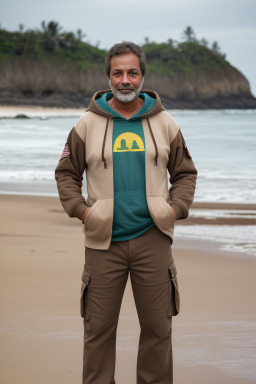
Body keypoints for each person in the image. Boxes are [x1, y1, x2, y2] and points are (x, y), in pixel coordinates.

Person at [55, 41, 197, 384]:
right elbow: (66, 174)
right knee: (98, 332)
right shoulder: (86, 124)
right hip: (103, 244)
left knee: (158, 332)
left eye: (132, 72)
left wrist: (174, 209)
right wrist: (83, 212)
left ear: (142, 76)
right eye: (117, 72)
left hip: (154, 240)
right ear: (108, 77)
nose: (125, 80)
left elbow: (185, 173)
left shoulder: (165, 124)